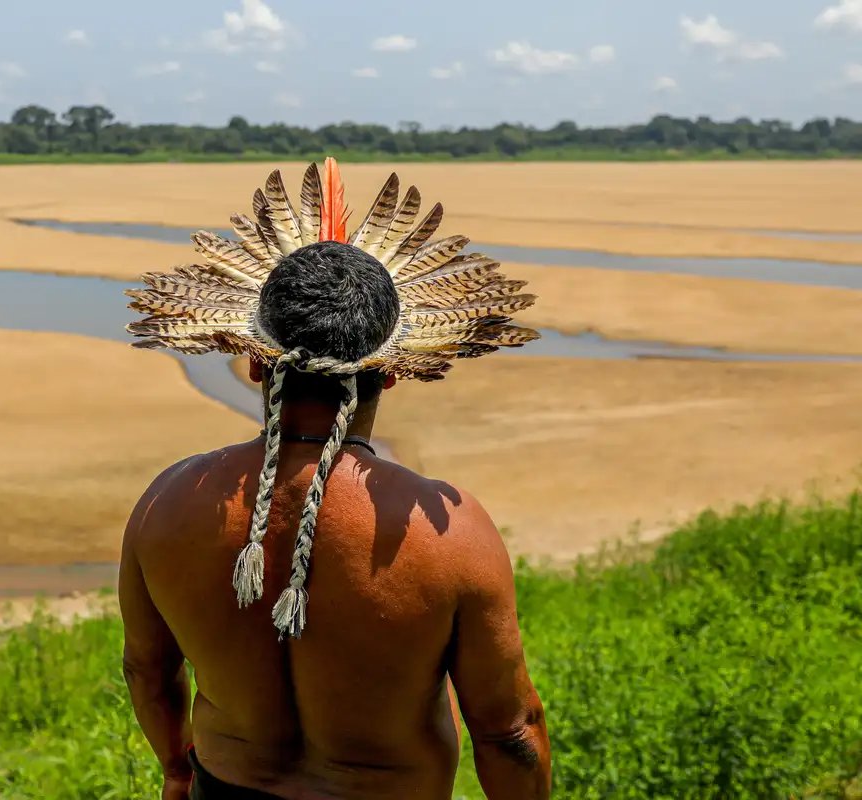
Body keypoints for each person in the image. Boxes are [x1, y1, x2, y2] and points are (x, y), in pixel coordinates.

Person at [120, 159, 550, 799]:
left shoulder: (169, 502)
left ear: (255, 363)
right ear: (394, 370)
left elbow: (148, 671)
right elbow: (510, 732)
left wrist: (177, 772)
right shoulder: (452, 534)